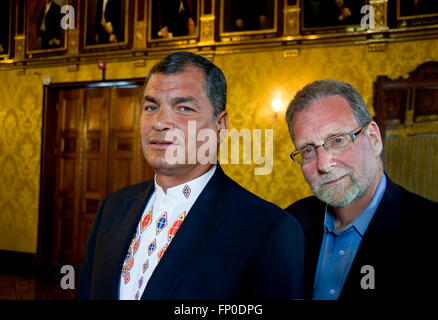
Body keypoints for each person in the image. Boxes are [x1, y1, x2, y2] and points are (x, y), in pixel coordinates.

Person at [76, 52, 305, 300]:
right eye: (151, 107)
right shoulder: (112, 208)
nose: (159, 122)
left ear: (221, 126)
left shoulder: (267, 230)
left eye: (183, 108)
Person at [284, 79, 438, 300]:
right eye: (308, 149)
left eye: (337, 140)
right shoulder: (290, 224)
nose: (323, 164)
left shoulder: (430, 230)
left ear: (373, 139)